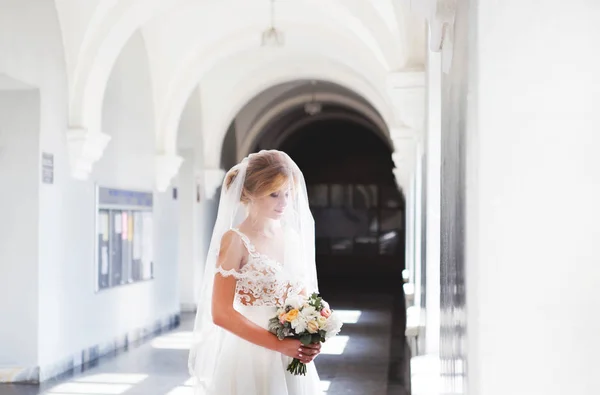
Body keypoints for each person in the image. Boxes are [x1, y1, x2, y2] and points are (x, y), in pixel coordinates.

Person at [188, 150, 323, 395]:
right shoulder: (236, 240)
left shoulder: (291, 238)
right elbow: (220, 313)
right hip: (250, 354)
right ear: (251, 193)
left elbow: (302, 296)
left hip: (291, 354)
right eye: (274, 194)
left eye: (288, 193)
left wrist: (312, 336)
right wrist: (278, 345)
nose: (284, 203)